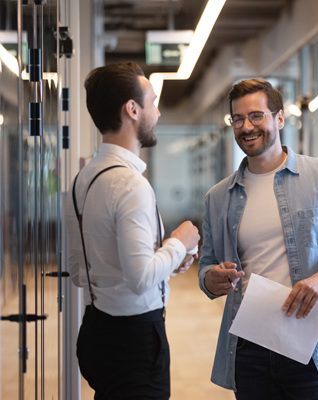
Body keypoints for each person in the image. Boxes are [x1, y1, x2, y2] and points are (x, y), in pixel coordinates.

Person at [198, 78, 318, 400]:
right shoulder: (218, 197)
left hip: (312, 344)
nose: (246, 126)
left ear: (279, 118)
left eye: (256, 116)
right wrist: (212, 278)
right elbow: (206, 267)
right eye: (238, 119)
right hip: (249, 346)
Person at [64, 62, 200, 400]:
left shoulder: (84, 179)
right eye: (153, 102)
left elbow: (81, 272)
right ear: (133, 109)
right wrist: (178, 244)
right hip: (134, 342)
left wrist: (166, 258)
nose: (158, 113)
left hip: (96, 331)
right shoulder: (129, 185)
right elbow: (140, 278)